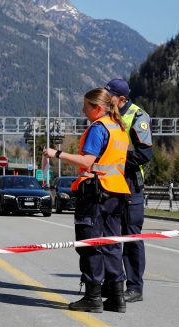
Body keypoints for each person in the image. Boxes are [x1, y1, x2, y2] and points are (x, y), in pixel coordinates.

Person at [43, 87, 130, 313]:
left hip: (95, 192)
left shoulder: (98, 128)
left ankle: (92, 297)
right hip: (116, 191)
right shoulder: (120, 128)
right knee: (111, 243)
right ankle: (117, 297)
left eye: (86, 106)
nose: (83, 110)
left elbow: (87, 161)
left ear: (98, 108)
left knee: (89, 243)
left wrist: (57, 154)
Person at [104, 78, 153, 303]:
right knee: (109, 235)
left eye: (110, 95)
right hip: (110, 182)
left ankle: (135, 287)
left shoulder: (138, 116)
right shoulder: (107, 115)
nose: (106, 98)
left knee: (131, 236)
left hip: (131, 183)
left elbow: (145, 154)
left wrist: (118, 159)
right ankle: (112, 283)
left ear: (121, 99)